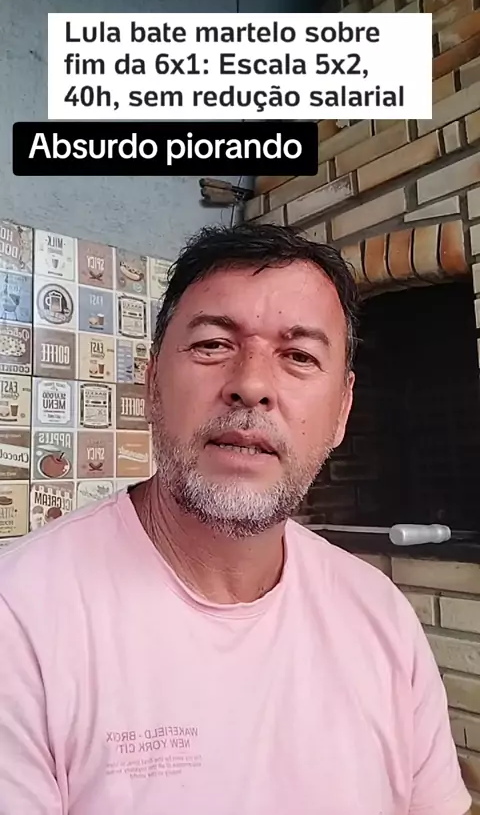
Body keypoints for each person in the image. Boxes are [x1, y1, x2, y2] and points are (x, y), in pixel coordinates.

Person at [0, 224, 471, 815]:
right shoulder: (21, 616)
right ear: (152, 384)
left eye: (299, 356)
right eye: (212, 345)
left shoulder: (383, 619)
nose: (251, 385)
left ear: (342, 411)